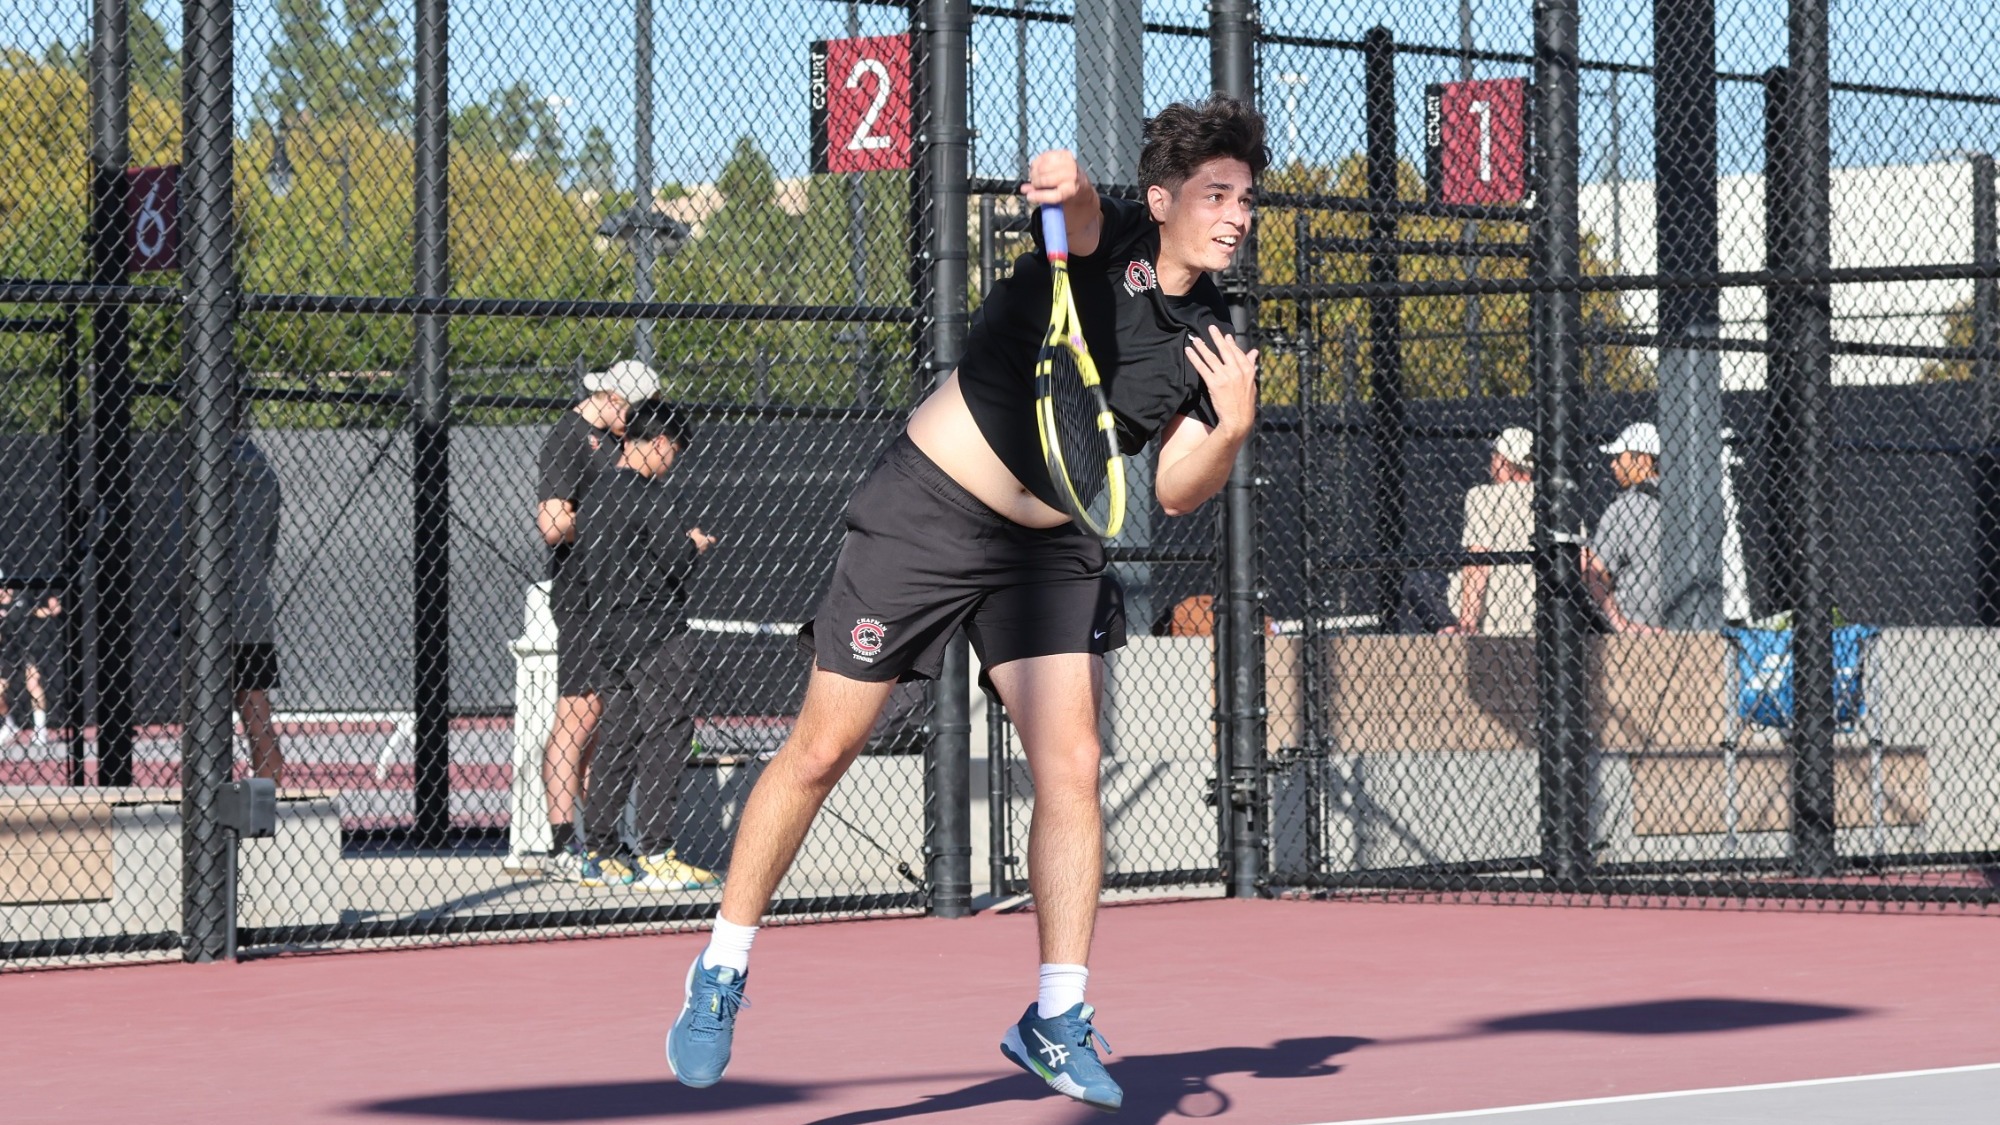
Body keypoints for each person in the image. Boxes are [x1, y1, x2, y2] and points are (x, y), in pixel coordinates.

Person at [666, 96, 1267, 1113]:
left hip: (1049, 549)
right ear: (1161, 200)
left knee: (1071, 765)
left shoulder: (1210, 341)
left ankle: (1054, 1015)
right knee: (819, 751)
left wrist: (1233, 424)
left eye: (1245, 199)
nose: (1236, 214)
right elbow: (1071, 204)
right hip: (927, 516)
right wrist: (1061, 175)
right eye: (1215, 195)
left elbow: (1171, 490)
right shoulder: (1108, 234)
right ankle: (721, 968)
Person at [571, 400, 721, 890]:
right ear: (658, 443)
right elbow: (676, 559)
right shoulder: (649, 495)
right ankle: (657, 852)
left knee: (618, 735)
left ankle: (599, 850)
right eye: (673, 451)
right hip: (657, 630)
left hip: (610, 631)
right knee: (668, 734)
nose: (672, 461)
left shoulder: (595, 495)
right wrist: (694, 545)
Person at [533, 359, 658, 875]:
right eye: (631, 411)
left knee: (605, 721)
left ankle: (598, 841)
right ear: (608, 399)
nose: (636, 423)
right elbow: (553, 524)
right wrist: (609, 517)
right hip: (582, 596)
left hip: (616, 597)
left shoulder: (614, 441)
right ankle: (563, 844)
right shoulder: (570, 436)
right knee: (577, 716)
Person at [230, 433, 286, 781]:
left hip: (208, 600)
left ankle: (205, 806)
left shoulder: (191, 467)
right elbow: (268, 543)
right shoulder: (264, 471)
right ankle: (268, 792)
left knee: (203, 707)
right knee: (254, 706)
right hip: (252, 598)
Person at [1444, 426, 1536, 636]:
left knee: (1416, 582)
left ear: (1504, 462)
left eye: (1495, 456)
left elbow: (1478, 559)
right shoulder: (1555, 499)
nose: (1491, 461)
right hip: (1538, 619)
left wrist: (1467, 622)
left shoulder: (1483, 497)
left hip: (1493, 623)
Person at [1583, 421, 1667, 634]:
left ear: (1642, 460)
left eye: (1619, 457)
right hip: (1685, 632)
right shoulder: (1685, 503)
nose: (1612, 465)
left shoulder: (1624, 509)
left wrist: (1618, 622)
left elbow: (1594, 570)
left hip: (1631, 634)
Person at [0, 579, 60, 749]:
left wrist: (45, 611)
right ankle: (10, 725)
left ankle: (40, 730)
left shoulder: (22, 595)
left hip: (29, 646)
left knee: (33, 683)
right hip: (8, 652)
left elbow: (43, 609)